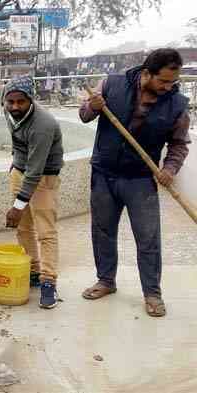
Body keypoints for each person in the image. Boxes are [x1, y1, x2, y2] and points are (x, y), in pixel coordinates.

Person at [79, 48, 191, 317]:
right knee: (103, 231)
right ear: (146, 73)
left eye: (172, 82)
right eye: (163, 81)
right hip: (104, 173)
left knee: (148, 238)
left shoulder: (177, 105)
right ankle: (106, 281)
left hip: (141, 179)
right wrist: (91, 107)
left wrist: (170, 168)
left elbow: (178, 144)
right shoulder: (111, 84)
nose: (168, 87)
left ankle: (152, 293)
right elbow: (84, 115)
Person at [3, 75, 64, 309]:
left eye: (21, 102)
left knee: (45, 231)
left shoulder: (43, 125)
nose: (15, 107)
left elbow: (36, 170)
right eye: (11, 102)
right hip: (20, 171)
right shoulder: (7, 111)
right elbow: (18, 142)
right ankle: (33, 271)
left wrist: (18, 206)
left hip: (44, 176)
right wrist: (14, 164)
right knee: (23, 228)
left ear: (31, 100)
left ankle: (49, 281)